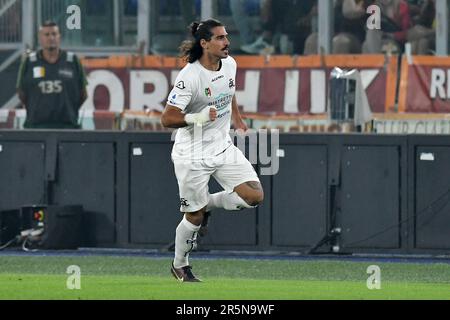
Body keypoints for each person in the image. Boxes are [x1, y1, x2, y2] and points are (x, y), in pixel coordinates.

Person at [161, 19, 264, 282]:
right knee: (193, 216)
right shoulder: (190, 76)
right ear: (204, 43)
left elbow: (228, 91)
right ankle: (180, 265)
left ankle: (208, 205)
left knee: (253, 196)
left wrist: (237, 118)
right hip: (191, 153)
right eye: (219, 38)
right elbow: (167, 119)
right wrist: (198, 118)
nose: (226, 42)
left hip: (221, 146)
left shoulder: (230, 63)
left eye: (226, 36)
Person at [16, 21, 88, 129]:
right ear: (40, 38)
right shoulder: (29, 62)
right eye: (47, 34)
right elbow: (21, 94)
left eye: (54, 34)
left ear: (59, 37)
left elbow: (83, 94)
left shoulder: (72, 61)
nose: (51, 38)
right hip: (36, 128)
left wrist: (69, 112)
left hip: (68, 128)